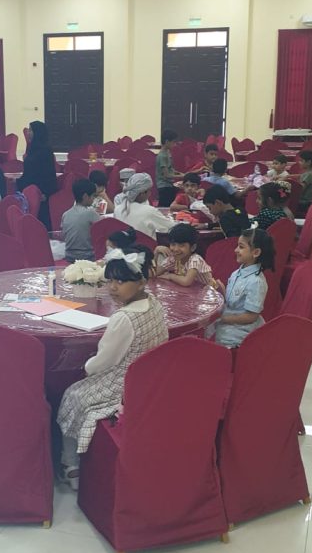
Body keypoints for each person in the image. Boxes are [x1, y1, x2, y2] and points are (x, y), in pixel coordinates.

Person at [57, 245, 168, 489]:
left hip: (122, 384)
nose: (113, 287)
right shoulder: (155, 304)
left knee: (73, 395)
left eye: (121, 281)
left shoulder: (123, 318)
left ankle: (71, 464)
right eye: (110, 281)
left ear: (141, 282)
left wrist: (86, 367)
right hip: (149, 378)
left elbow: (103, 362)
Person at [209, 228, 275, 349]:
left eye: (241, 247)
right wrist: (221, 289)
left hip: (240, 330)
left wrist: (223, 319)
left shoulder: (256, 282)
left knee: (217, 337)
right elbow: (234, 301)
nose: (236, 250)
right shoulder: (237, 273)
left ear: (256, 252)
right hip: (229, 318)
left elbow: (251, 316)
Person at [113, 172, 173, 238]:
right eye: (149, 190)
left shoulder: (117, 209)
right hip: (145, 244)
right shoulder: (149, 211)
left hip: (124, 244)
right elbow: (172, 227)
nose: (150, 193)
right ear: (142, 193)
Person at [154, 223, 214, 287]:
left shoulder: (195, 260)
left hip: (209, 291)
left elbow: (186, 281)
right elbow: (153, 273)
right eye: (173, 244)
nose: (176, 249)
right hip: (192, 291)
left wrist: (170, 276)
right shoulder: (173, 259)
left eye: (181, 245)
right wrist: (156, 252)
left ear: (193, 247)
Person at [62, 179, 100, 262]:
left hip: (69, 255)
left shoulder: (65, 214)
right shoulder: (90, 213)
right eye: (93, 196)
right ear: (85, 196)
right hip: (87, 256)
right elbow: (102, 229)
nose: (94, 199)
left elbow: (64, 234)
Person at [155, 129, 179, 206]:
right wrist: (183, 176)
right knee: (165, 207)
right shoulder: (162, 156)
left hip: (169, 185)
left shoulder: (167, 153)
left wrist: (180, 173)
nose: (175, 144)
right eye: (173, 142)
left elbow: (170, 169)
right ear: (167, 141)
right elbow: (167, 175)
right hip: (164, 186)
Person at [295, 150, 312, 216]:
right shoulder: (308, 173)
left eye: (301, 161)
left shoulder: (309, 174)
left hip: (304, 203)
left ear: (308, 162)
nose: (299, 162)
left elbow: (300, 188)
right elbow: (299, 176)